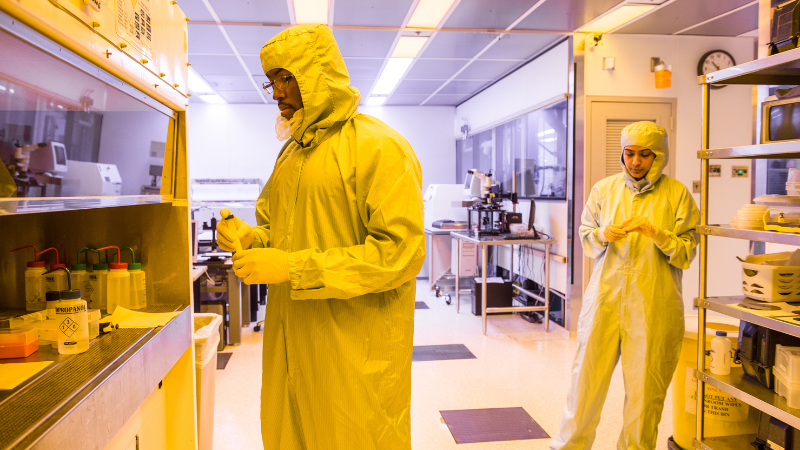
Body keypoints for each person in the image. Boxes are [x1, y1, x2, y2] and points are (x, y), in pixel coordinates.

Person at [215, 24, 425, 450]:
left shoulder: (379, 148)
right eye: (271, 80)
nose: (276, 93)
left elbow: (399, 254)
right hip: (291, 341)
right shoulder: (290, 155)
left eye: (286, 77)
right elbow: (281, 230)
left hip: (352, 350)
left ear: (318, 74)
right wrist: (250, 237)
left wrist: (292, 267)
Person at [550, 121, 699, 450]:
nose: (635, 162)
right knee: (585, 382)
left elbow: (687, 253)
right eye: (629, 154)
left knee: (646, 393)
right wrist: (603, 235)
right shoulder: (604, 190)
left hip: (653, 306)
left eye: (644, 155)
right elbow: (586, 237)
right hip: (604, 300)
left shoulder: (677, 195)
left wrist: (658, 234)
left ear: (659, 156)